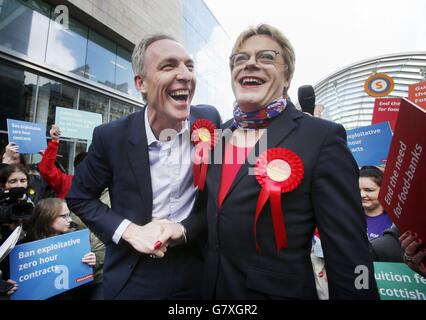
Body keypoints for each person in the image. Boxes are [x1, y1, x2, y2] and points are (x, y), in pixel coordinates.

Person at [201, 24, 378, 299]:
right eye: (240, 58)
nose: (250, 64)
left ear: (287, 77)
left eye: (266, 57)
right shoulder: (218, 135)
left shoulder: (321, 138)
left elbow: (351, 254)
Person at [66, 34, 221, 299]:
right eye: (169, 66)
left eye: (189, 66)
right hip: (134, 272)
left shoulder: (209, 119)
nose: (185, 75)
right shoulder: (111, 137)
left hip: (199, 267)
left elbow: (215, 198)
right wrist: (130, 231)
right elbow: (79, 197)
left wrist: (183, 229)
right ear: (141, 83)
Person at [359, 166, 392, 240]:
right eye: (358, 190)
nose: (362, 195)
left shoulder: (394, 222)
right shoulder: (350, 217)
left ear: (383, 190)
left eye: (369, 190)